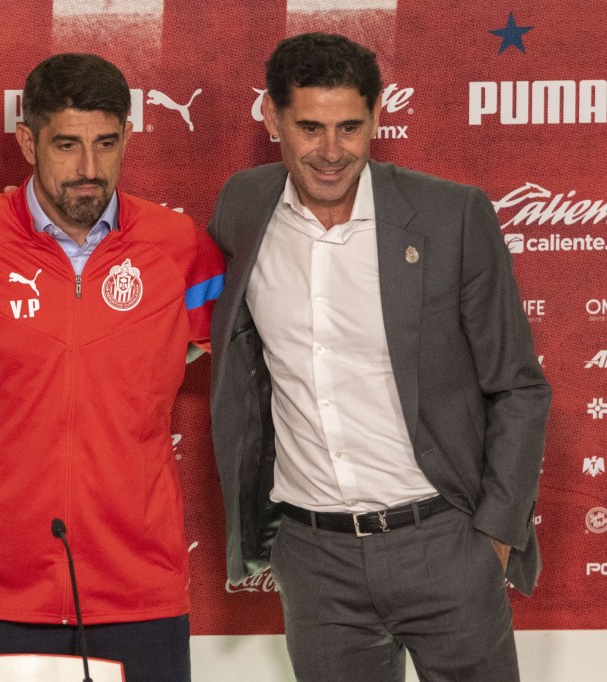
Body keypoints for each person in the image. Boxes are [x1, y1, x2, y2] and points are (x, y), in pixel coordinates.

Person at [208, 33, 550, 682]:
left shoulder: (451, 216)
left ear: (377, 115)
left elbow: (519, 387)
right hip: (314, 557)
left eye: (350, 127)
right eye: (309, 127)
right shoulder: (242, 207)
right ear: (271, 117)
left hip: (445, 543)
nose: (332, 152)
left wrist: (492, 544)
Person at [0, 53, 224, 682]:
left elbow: (256, 361)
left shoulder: (178, 248)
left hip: (139, 588)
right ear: (27, 140)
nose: (90, 169)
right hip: (0, 589)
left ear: (127, 138)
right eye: (67, 145)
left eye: (106, 143)